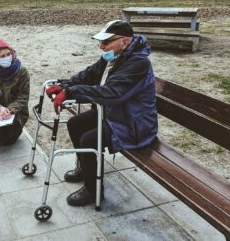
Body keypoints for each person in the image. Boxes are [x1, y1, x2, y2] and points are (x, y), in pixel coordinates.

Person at [46, 20, 158, 206]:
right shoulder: (114, 56)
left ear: (125, 41)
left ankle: (93, 191)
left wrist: (73, 93)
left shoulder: (138, 63)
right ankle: (85, 168)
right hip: (116, 115)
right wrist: (66, 86)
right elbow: (90, 75)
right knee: (75, 124)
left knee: (89, 139)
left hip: (134, 124)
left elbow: (112, 94)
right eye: (100, 42)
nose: (101, 46)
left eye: (106, 42)